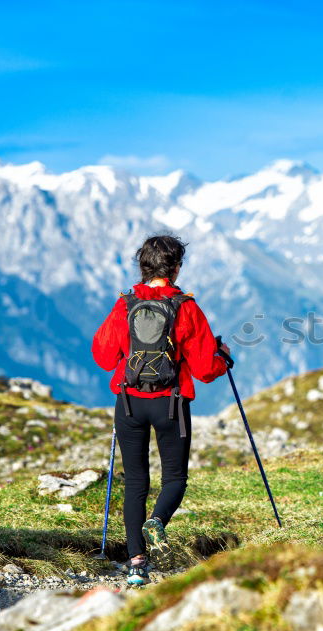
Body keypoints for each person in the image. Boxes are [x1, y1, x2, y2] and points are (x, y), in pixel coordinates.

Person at [92, 233, 231, 586]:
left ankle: (136, 563)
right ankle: (157, 521)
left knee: (135, 480)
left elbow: (104, 356)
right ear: (176, 268)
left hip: (129, 404)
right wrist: (223, 358)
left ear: (142, 267)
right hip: (171, 404)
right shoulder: (185, 306)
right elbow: (204, 368)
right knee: (175, 478)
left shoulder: (124, 305)